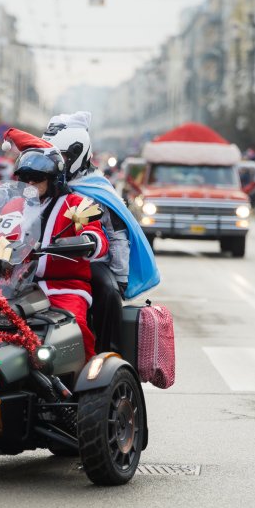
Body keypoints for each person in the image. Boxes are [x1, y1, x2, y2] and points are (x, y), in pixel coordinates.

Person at [0, 127, 108, 360]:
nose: (30, 184)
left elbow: (98, 238)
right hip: (14, 288)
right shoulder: (13, 206)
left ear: (53, 179)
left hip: (64, 287)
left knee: (74, 326)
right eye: (25, 179)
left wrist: (86, 241)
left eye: (37, 179)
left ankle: (87, 385)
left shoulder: (76, 203)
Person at [39, 111, 159, 351]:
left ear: (76, 154)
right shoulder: (40, 182)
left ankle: (107, 354)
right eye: (51, 156)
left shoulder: (96, 188)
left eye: (61, 156)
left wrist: (119, 276)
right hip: (41, 257)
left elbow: (117, 234)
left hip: (89, 259)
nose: (56, 162)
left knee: (106, 289)